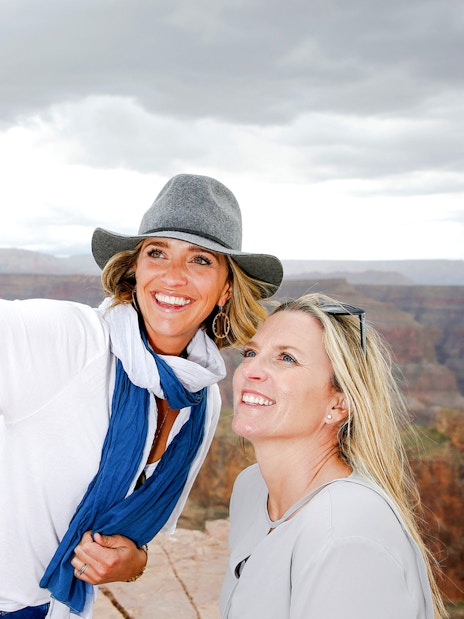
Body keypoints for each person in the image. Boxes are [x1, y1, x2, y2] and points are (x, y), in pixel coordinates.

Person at [0, 173, 283, 619]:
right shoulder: (74, 341)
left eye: (201, 260)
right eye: (157, 253)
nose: (173, 276)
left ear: (227, 287)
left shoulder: (202, 402)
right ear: (136, 269)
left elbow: (136, 541)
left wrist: (135, 563)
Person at [220, 292, 448, 619]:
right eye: (251, 352)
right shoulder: (251, 488)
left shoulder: (345, 532)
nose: (251, 370)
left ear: (338, 405)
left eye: (287, 358)